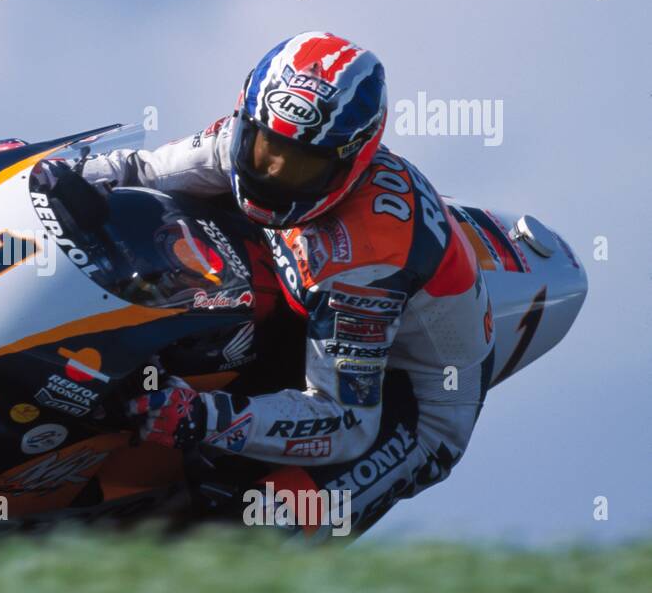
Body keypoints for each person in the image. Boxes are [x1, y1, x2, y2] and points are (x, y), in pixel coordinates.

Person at [80, 32, 495, 537]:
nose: (272, 173)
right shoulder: (245, 138)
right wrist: (45, 174)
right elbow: (135, 170)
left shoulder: (364, 265)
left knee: (250, 534)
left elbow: (346, 422)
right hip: (303, 325)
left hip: (396, 404)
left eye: (301, 165)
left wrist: (204, 416)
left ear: (352, 160)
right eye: (264, 148)